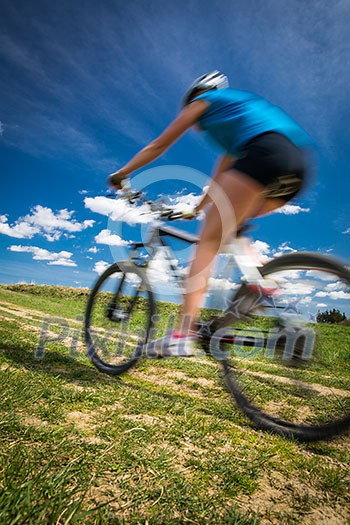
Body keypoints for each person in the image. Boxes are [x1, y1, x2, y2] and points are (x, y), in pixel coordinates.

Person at [109, 71, 312, 357]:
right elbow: (220, 180)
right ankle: (266, 289)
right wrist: (197, 208)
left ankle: (182, 334)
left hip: (265, 153)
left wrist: (122, 174)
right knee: (231, 228)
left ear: (196, 95)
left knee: (208, 242)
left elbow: (160, 144)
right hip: (296, 165)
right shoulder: (238, 127)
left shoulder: (204, 100)